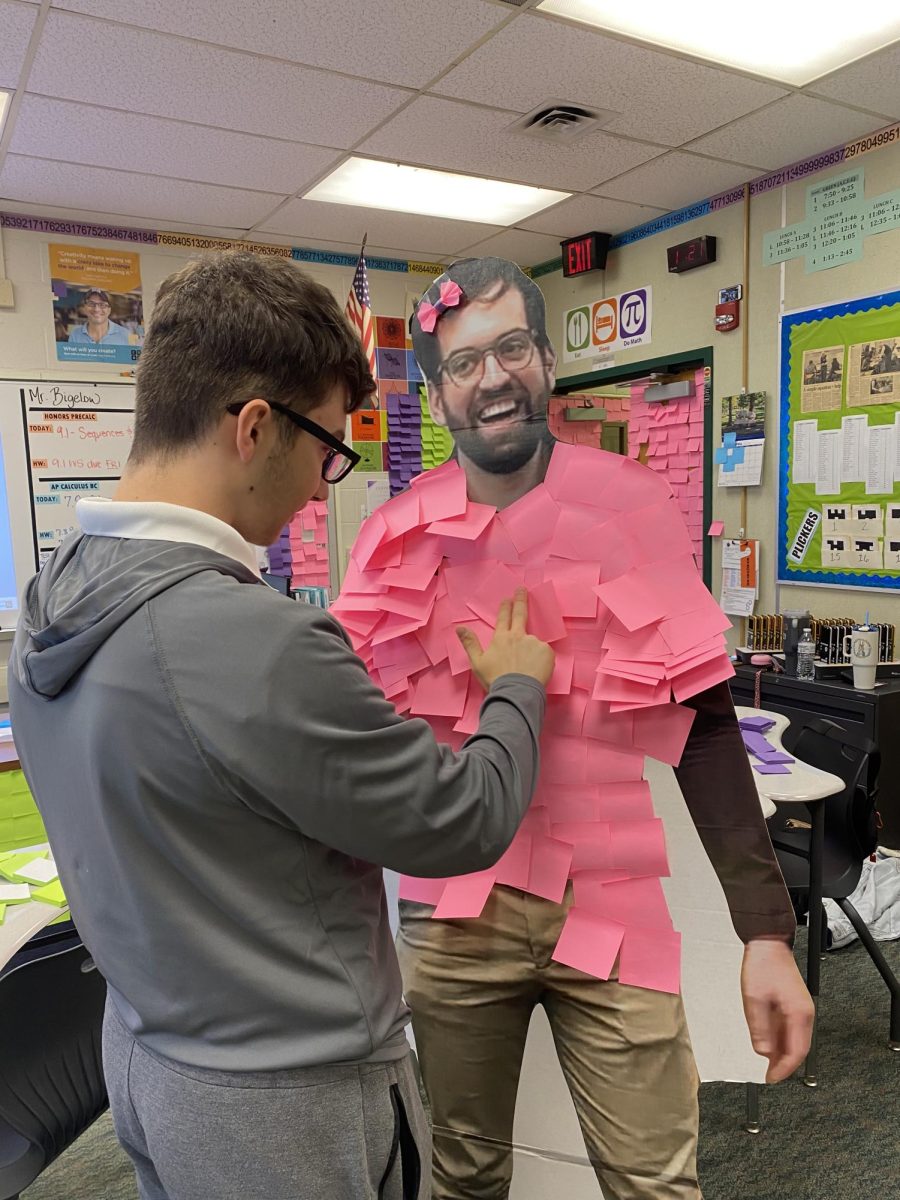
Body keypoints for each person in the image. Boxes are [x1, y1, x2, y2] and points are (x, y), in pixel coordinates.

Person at [8, 251, 557, 1200]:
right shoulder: (254, 641)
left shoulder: (50, 601)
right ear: (254, 427)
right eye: (325, 449)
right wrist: (516, 690)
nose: (321, 488)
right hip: (283, 1098)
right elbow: (461, 820)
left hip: (147, 1056)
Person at [332, 257, 814, 1200]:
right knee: (463, 1176)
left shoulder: (629, 506)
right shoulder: (392, 539)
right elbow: (359, 750)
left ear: (548, 362)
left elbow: (706, 727)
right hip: (451, 912)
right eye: (464, 363)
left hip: (611, 901)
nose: (493, 377)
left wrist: (764, 929)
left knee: (655, 1182)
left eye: (512, 348)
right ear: (437, 394)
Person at [66, 288, 131, 345]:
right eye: (91, 304)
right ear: (85, 307)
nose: (96, 309)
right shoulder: (75, 335)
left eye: (102, 304)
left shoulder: (125, 335)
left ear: (109, 309)